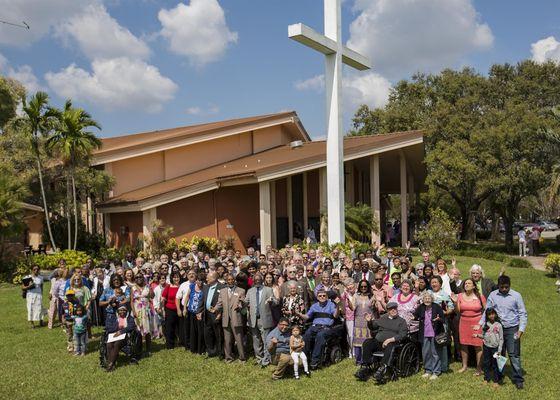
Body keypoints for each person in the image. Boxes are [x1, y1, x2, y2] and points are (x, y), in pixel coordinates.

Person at [478, 275, 527, 389]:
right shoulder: (493, 295)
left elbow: (523, 314)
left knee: (513, 354)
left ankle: (518, 378)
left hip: (512, 329)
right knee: (498, 354)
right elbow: (487, 311)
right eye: (502, 287)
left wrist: (521, 330)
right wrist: (480, 324)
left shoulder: (516, 296)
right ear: (498, 286)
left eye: (506, 287)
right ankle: (498, 375)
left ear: (510, 285)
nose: (504, 289)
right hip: (496, 328)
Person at [355, 302, 408, 383]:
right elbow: (373, 327)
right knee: (367, 342)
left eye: (395, 308)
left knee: (391, 346)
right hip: (379, 342)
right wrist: (369, 321)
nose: (393, 310)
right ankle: (365, 366)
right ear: (388, 311)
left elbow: (403, 334)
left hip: (393, 344)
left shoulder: (402, 321)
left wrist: (390, 339)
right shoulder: (383, 318)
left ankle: (383, 368)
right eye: (391, 309)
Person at [298, 289, 340, 369]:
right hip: (315, 326)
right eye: (320, 296)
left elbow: (336, 316)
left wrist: (337, 306)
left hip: (326, 327)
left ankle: (315, 360)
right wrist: (299, 314)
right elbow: (307, 317)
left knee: (320, 336)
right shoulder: (314, 306)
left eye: (324, 295)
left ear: (327, 297)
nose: (322, 297)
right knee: (306, 335)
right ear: (317, 297)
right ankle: (304, 358)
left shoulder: (331, 304)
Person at [246, 273, 277, 366]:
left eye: (259, 280)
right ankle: (259, 358)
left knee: (265, 340)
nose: (257, 281)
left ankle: (266, 359)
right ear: (253, 281)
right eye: (255, 280)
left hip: (265, 319)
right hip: (253, 319)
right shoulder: (250, 291)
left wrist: (272, 301)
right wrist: (241, 302)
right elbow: (245, 301)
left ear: (262, 280)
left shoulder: (268, 290)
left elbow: (275, 302)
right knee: (256, 341)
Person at [456, 277, 486, 374]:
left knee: (478, 345)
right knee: (464, 344)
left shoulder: (480, 296)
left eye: (469, 283)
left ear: (473, 286)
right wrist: (455, 302)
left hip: (477, 323)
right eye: (465, 284)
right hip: (464, 322)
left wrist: (482, 323)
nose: (467, 285)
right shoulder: (460, 296)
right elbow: (457, 311)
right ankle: (464, 366)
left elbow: (486, 310)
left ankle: (479, 368)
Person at [215, 273, 247, 363]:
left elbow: (243, 302)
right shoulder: (222, 291)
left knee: (239, 340)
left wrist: (241, 304)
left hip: (236, 318)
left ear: (234, 280)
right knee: (227, 340)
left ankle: (242, 358)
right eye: (228, 280)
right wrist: (214, 309)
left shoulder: (241, 290)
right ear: (226, 281)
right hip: (226, 319)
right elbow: (219, 303)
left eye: (232, 279)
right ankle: (228, 358)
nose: (230, 281)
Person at [414, 292, 445, 380]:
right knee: (426, 353)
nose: (427, 300)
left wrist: (439, 319)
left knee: (435, 353)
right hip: (424, 334)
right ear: (423, 300)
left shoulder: (437, 307)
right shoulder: (421, 307)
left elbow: (443, 319)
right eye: (425, 298)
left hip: (435, 333)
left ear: (432, 299)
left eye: (429, 298)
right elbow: (415, 316)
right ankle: (428, 370)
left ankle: (436, 371)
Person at [196, 271, 223, 358]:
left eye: (208, 277)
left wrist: (220, 312)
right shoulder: (206, 287)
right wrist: (199, 311)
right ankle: (211, 351)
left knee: (218, 334)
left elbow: (223, 302)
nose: (206, 279)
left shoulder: (222, 287)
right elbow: (202, 300)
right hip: (207, 314)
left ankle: (220, 352)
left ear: (214, 278)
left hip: (216, 314)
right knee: (208, 333)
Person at [131, 273, 159, 357]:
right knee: (139, 330)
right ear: (135, 279)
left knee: (147, 330)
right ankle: (139, 348)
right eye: (136, 277)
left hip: (147, 311)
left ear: (143, 278)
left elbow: (153, 296)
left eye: (140, 277)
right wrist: (134, 312)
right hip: (137, 311)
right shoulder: (133, 288)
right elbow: (132, 301)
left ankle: (148, 349)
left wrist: (150, 287)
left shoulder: (147, 286)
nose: (138, 278)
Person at [475, 308, 504, 387]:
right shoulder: (485, 324)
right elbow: (484, 336)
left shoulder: (499, 325)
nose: (491, 316)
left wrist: (499, 349)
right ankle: (486, 378)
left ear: (495, 314)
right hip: (486, 347)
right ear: (487, 316)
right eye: (489, 314)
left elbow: (501, 338)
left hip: (495, 348)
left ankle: (496, 380)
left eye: (493, 314)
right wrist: (477, 335)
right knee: (486, 363)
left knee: (495, 364)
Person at [105, 305, 138, 372]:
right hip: (114, 335)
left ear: (126, 311)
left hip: (125, 336)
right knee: (109, 344)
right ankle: (111, 363)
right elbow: (108, 327)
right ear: (118, 311)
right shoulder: (114, 318)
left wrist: (121, 331)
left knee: (117, 344)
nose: (122, 311)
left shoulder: (129, 318)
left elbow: (132, 326)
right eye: (120, 310)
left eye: (124, 310)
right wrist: (116, 329)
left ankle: (110, 364)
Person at [352, 279, 376, 363]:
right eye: (361, 286)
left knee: (367, 341)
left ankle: (367, 359)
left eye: (365, 286)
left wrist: (374, 305)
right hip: (358, 321)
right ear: (359, 287)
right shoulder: (355, 296)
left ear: (368, 287)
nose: (363, 288)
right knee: (357, 341)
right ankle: (358, 360)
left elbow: (374, 309)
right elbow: (353, 308)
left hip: (368, 321)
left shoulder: (372, 296)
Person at [161, 272, 181, 349]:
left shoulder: (181, 286)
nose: (176, 279)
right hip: (170, 309)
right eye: (174, 277)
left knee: (180, 327)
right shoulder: (168, 287)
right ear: (172, 278)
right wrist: (162, 307)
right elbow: (163, 297)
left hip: (179, 309)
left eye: (178, 277)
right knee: (170, 328)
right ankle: (170, 344)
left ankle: (181, 342)